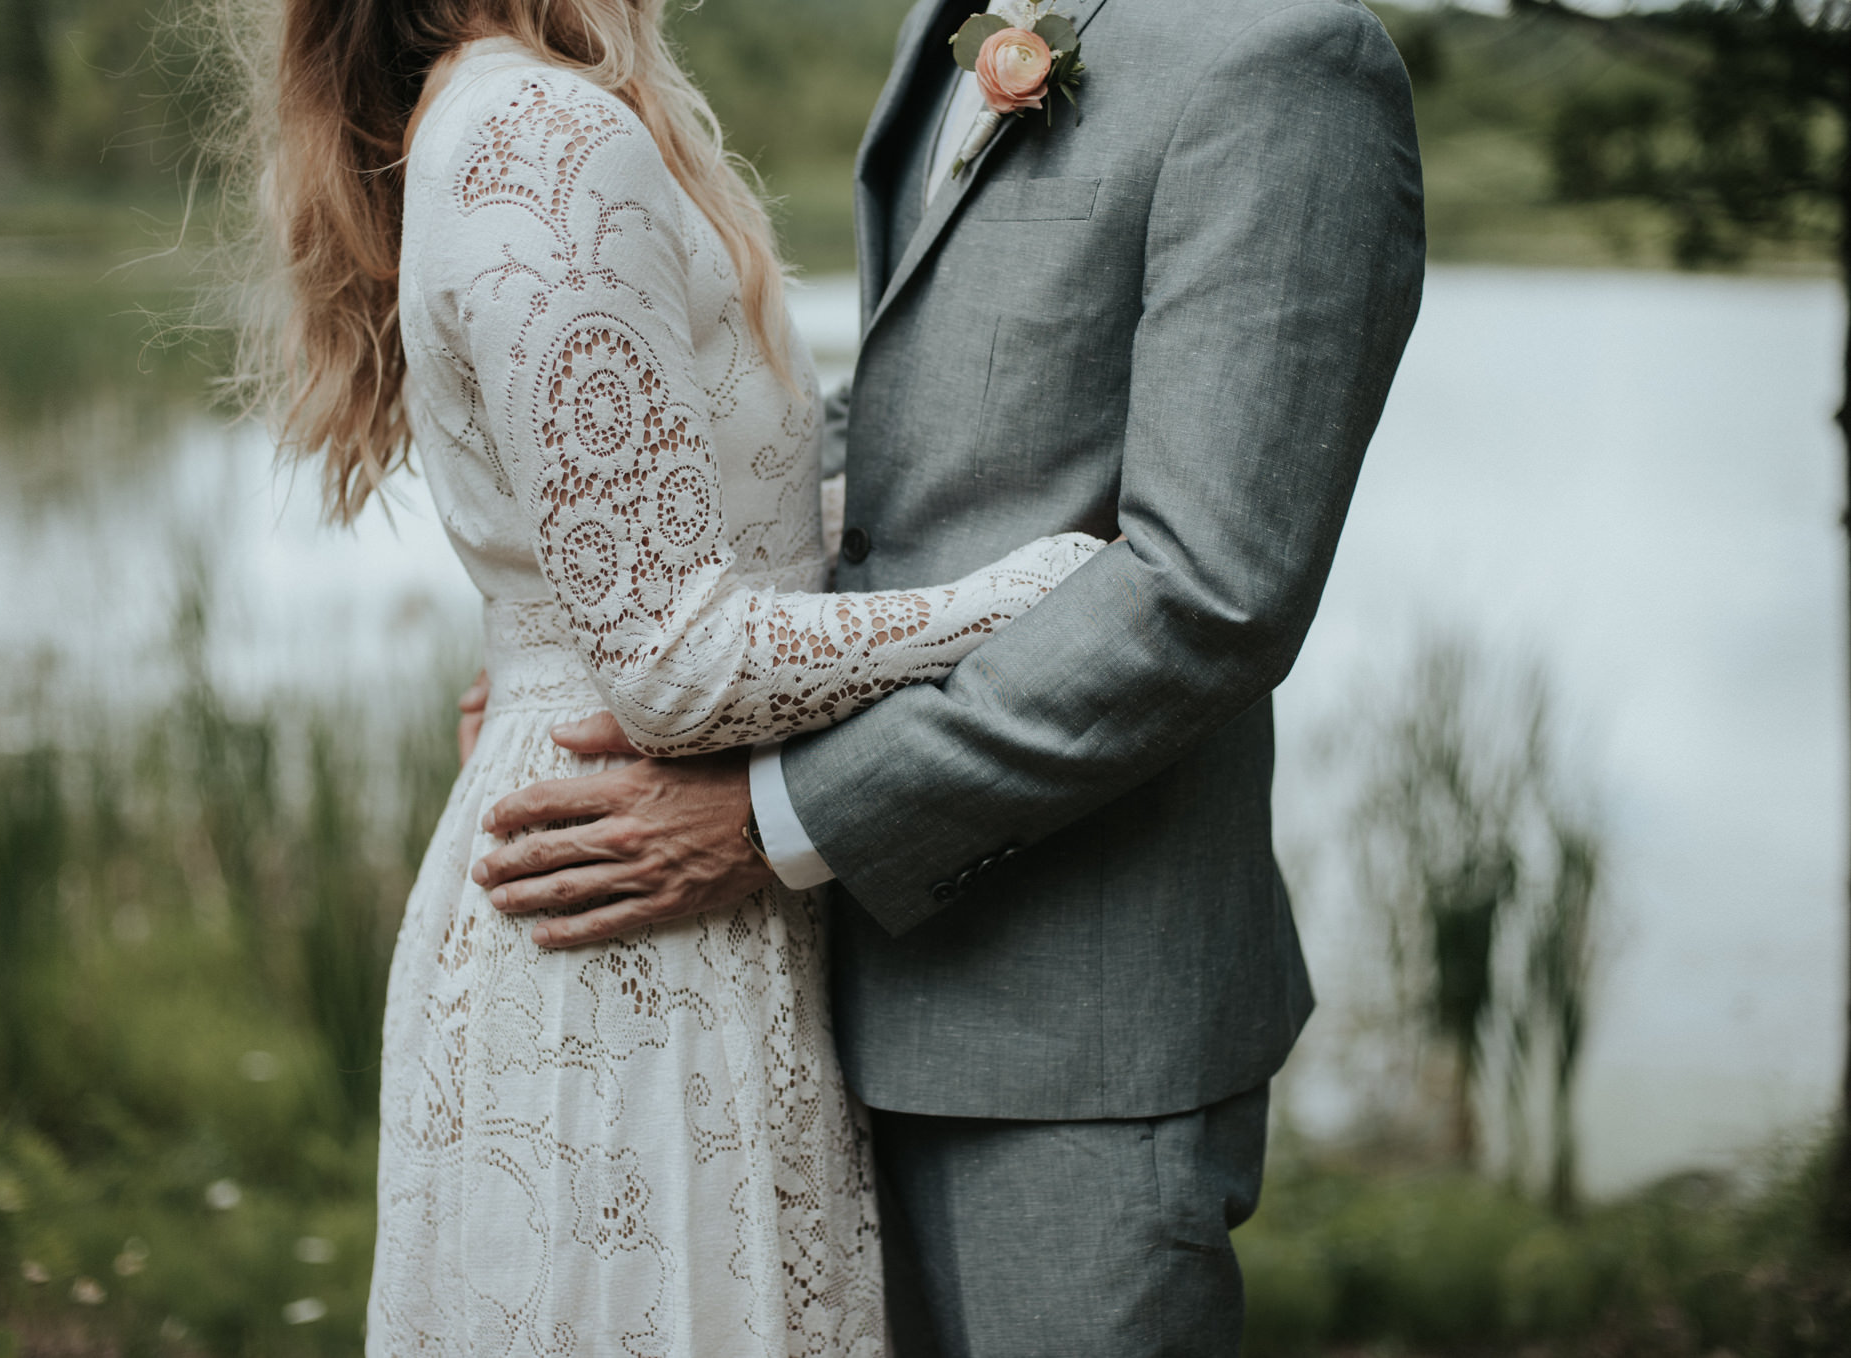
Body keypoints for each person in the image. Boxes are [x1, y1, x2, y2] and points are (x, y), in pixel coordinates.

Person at [467, 0, 1427, 1354]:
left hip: (1072, 1036)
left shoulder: (1276, 64)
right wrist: (607, 649)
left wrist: (775, 821)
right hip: (816, 1010)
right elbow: (913, 442)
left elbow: (1206, 593)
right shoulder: (946, 22)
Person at [232, 0, 1110, 1351]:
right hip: (626, 910)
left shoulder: (497, 110)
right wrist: (1012, 600)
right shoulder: (539, 132)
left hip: (619, 853)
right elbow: (676, 664)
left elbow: (665, 556)